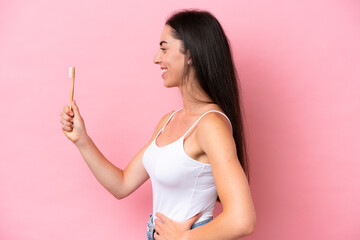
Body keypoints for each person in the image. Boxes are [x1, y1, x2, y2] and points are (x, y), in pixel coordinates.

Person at [60, 9, 256, 240]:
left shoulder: (210, 125)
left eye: (164, 48)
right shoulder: (169, 121)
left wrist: (185, 238)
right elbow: (122, 185)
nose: (156, 58)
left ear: (191, 54)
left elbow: (243, 220)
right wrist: (82, 140)